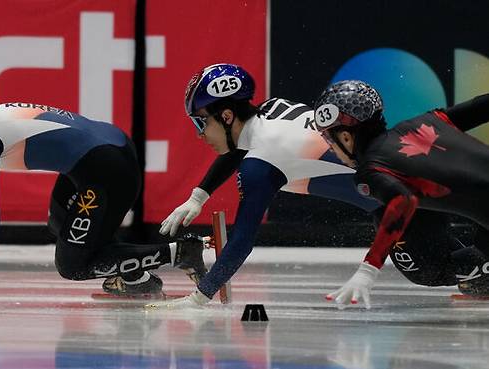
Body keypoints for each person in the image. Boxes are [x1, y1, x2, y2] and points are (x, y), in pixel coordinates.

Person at [148, 64, 488, 310]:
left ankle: (479, 265)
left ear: (225, 117)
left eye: (200, 122)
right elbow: (238, 146)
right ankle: (478, 263)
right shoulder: (270, 111)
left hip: (393, 201)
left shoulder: (260, 165)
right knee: (456, 240)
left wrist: (198, 297)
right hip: (410, 181)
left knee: (427, 271)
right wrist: (198, 196)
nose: (199, 134)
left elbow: (242, 241)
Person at [0, 54, 207, 311]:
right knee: (60, 223)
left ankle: (183, 253)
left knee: (73, 265)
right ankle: (136, 277)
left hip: (107, 168)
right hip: (99, 154)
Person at [313, 80, 489, 308]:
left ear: (346, 137)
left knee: (429, 271)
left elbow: (403, 201)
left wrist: (368, 269)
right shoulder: (425, 122)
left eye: (328, 139)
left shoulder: (372, 169)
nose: (330, 148)